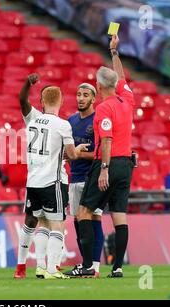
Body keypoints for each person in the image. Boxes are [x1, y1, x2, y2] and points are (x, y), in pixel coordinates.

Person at [71, 34, 135, 278]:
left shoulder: (103, 109)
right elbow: (122, 78)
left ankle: (88, 266)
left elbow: (106, 140)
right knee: (119, 215)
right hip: (126, 164)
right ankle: (117, 267)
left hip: (107, 163)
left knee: (84, 212)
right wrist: (114, 53)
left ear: (97, 87)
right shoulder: (127, 99)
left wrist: (104, 168)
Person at [14, 73, 89, 280]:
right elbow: (73, 155)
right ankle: (53, 269)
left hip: (33, 183)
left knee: (42, 223)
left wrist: (27, 83)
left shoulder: (33, 118)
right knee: (57, 224)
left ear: (41, 102)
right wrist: (80, 149)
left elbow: (21, 100)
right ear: (62, 101)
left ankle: (40, 267)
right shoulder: (64, 125)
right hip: (53, 182)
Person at [63, 83, 104, 278]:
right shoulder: (70, 121)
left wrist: (77, 155)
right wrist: (69, 155)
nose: (80, 98)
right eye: (78, 94)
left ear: (93, 98)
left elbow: (102, 153)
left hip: (92, 178)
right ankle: (86, 263)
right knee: (79, 222)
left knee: (94, 218)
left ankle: (94, 265)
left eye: (85, 95)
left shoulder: (97, 120)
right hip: (74, 178)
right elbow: (68, 151)